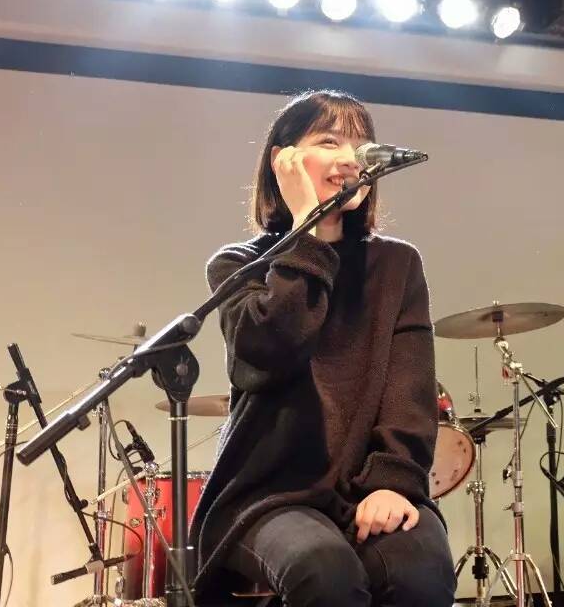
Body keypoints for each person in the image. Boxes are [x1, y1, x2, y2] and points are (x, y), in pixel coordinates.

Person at [188, 90, 456, 606]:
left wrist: (393, 482)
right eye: (330, 141)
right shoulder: (239, 264)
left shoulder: (397, 265)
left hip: (370, 485)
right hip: (267, 494)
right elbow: (268, 353)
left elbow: (410, 389)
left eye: (360, 145)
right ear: (282, 160)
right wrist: (307, 229)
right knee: (325, 571)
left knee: (420, 573)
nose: (350, 158)